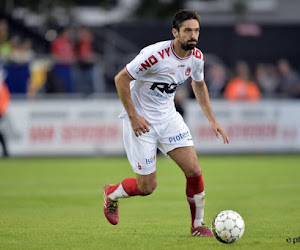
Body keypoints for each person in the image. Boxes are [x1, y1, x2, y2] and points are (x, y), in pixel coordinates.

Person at [103, 10, 229, 237]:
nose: (193, 35)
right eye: (188, 30)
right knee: (147, 187)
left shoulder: (197, 57)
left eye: (196, 30)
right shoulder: (154, 55)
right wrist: (133, 116)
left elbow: (198, 84)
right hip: (142, 122)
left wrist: (212, 119)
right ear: (175, 32)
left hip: (169, 119)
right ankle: (112, 193)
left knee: (194, 170)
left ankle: (197, 225)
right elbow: (121, 78)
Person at [0, 68, 10, 157]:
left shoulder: (2, 87)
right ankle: (5, 151)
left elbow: (5, 100)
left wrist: (2, 111)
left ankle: (6, 151)